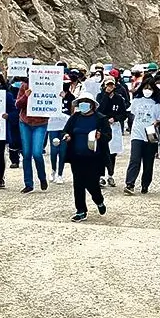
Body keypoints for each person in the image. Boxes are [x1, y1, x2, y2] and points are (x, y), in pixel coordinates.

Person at [62, 92, 111, 222]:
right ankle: (81, 210)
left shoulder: (100, 118)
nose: (83, 105)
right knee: (78, 183)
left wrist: (101, 137)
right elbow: (66, 130)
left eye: (86, 102)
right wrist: (67, 136)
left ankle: (98, 200)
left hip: (94, 157)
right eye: (81, 102)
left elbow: (108, 136)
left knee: (91, 183)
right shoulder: (75, 118)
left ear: (92, 105)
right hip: (77, 156)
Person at [123, 78, 160, 195]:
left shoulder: (157, 103)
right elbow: (132, 114)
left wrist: (157, 122)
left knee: (148, 161)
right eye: (145, 88)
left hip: (150, 134)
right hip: (137, 134)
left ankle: (145, 185)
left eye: (150, 88)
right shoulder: (136, 101)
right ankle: (130, 184)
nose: (147, 90)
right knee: (134, 159)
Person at [15, 78, 50, 194]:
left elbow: (54, 102)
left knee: (37, 153)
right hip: (25, 122)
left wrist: (61, 96)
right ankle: (28, 183)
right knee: (26, 153)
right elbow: (18, 104)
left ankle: (42, 177)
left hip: (41, 123)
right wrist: (25, 96)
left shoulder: (48, 84)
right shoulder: (24, 86)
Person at [96, 76, 127, 187]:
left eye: (111, 85)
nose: (109, 87)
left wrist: (115, 118)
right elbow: (99, 110)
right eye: (107, 85)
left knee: (112, 153)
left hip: (114, 125)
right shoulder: (100, 96)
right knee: (101, 151)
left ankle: (110, 175)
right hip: (103, 126)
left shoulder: (118, 98)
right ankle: (101, 176)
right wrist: (105, 95)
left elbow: (124, 113)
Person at [48, 75, 75, 184]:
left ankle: (60, 174)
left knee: (63, 151)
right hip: (53, 125)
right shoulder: (52, 95)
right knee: (54, 150)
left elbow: (72, 112)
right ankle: (53, 170)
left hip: (65, 126)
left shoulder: (72, 97)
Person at [6, 76, 24, 168]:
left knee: (23, 139)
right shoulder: (9, 91)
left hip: (24, 117)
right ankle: (14, 160)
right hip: (13, 118)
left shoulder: (27, 88)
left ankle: (25, 158)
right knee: (13, 140)